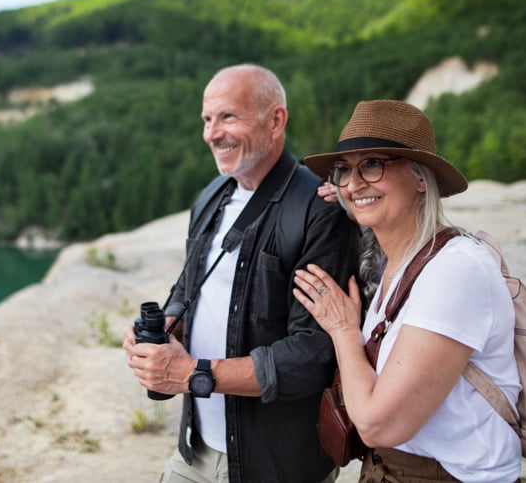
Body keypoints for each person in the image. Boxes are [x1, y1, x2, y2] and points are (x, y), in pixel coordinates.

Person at [123, 64, 361, 483]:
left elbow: (314, 354)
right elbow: (188, 287)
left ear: (275, 120)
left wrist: (193, 374)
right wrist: (164, 329)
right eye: (207, 119)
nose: (212, 133)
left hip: (278, 466)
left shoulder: (318, 209)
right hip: (194, 452)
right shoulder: (211, 196)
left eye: (228, 116)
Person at [293, 100, 522, 482]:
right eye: (343, 170)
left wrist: (343, 331)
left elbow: (378, 427)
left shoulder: (454, 270)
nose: (352, 182)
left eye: (372, 164)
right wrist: (358, 197)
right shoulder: (397, 266)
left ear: (420, 178)